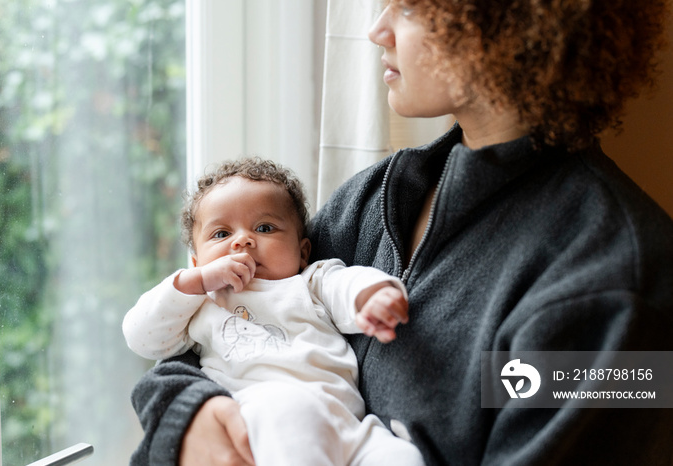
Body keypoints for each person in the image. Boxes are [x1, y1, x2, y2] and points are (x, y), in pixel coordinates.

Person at [129, 1, 673, 465]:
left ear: (507, 22)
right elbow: (237, 320)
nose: (377, 28)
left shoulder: (618, 283)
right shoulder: (378, 196)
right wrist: (185, 410)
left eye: (411, 5)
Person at [123, 158, 425, 466]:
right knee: (290, 412)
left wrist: (373, 296)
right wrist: (193, 284)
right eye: (221, 234)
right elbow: (141, 336)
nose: (243, 240)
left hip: (348, 425)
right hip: (264, 421)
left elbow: (348, 284)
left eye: (265, 228)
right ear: (197, 262)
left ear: (303, 251)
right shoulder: (203, 303)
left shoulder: (311, 282)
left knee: (401, 456)